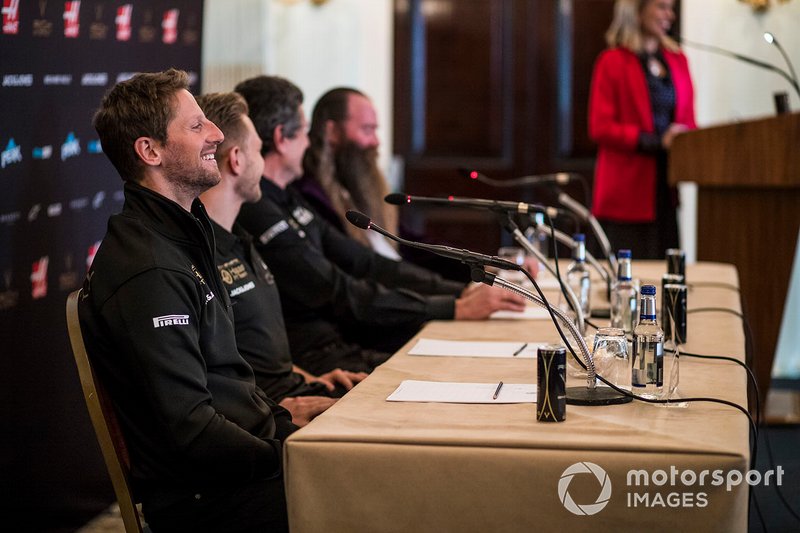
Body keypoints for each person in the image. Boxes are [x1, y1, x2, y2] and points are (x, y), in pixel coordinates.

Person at [80, 69, 295, 532]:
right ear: (150, 150)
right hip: (213, 501)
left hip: (240, 471)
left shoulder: (181, 239)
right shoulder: (151, 268)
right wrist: (287, 456)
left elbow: (230, 382)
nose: (216, 134)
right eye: (197, 125)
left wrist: (284, 421)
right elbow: (190, 429)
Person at [233, 75, 526, 374]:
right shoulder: (265, 206)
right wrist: (453, 305)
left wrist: (461, 290)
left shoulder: (290, 196)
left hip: (350, 338)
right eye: (306, 132)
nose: (309, 142)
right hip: (328, 352)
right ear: (282, 138)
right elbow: (335, 288)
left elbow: (368, 262)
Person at [196, 91, 368, 426]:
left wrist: (310, 379)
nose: (264, 164)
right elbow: (214, 379)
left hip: (297, 389)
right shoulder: (198, 257)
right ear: (237, 160)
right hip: (271, 422)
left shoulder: (240, 240)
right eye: (259, 151)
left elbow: (259, 357)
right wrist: (275, 412)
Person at [295, 87, 475, 282]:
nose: (376, 141)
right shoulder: (310, 194)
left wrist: (477, 266)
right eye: (367, 129)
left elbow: (410, 244)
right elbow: (362, 268)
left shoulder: (354, 186)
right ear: (332, 132)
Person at [588, 0, 696, 259]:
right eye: (662, 7)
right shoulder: (612, 61)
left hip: (665, 190)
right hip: (626, 193)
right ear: (636, 10)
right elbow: (600, 127)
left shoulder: (678, 60)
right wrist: (657, 141)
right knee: (628, 280)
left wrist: (686, 139)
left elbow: (689, 121)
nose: (669, 15)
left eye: (671, 8)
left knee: (664, 277)